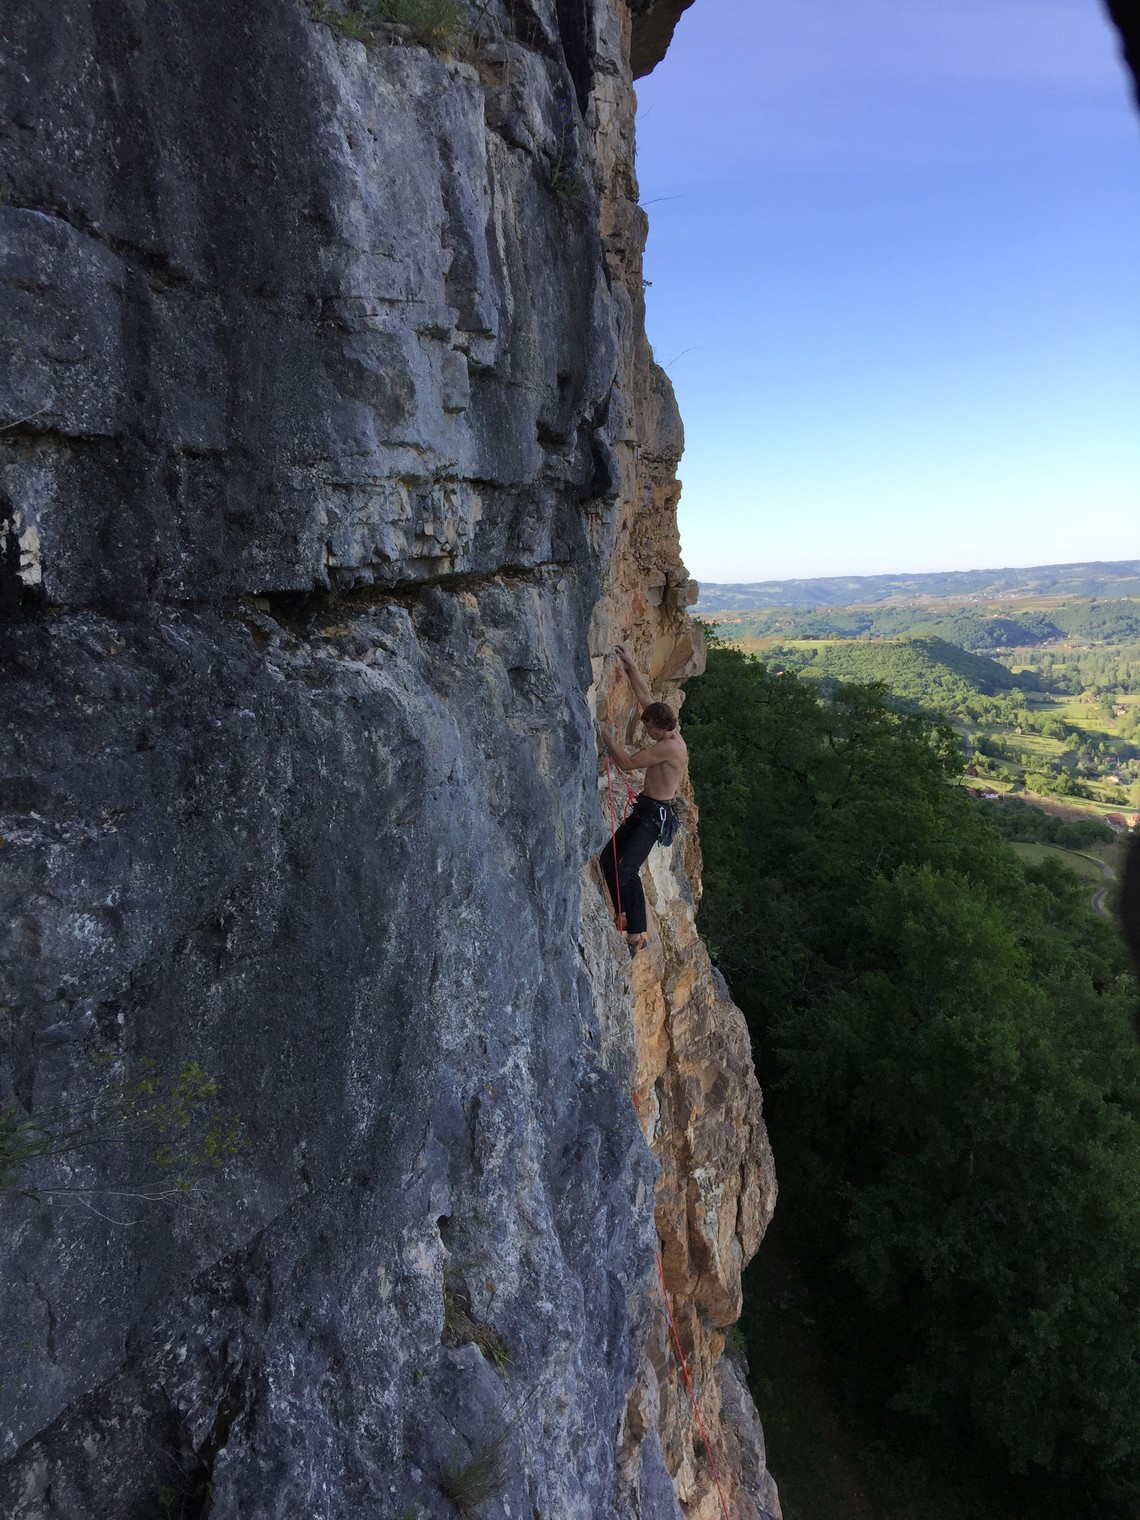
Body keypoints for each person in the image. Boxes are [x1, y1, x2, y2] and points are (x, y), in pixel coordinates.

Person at [597, 643, 688, 955]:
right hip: (644, 810)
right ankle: (622, 911)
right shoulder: (666, 726)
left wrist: (604, 733)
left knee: (627, 869)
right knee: (608, 859)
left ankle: (637, 933)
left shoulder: (670, 748)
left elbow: (626, 763)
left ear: (660, 729)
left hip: (653, 818)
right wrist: (630, 664)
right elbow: (644, 696)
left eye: (649, 728)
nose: (645, 731)